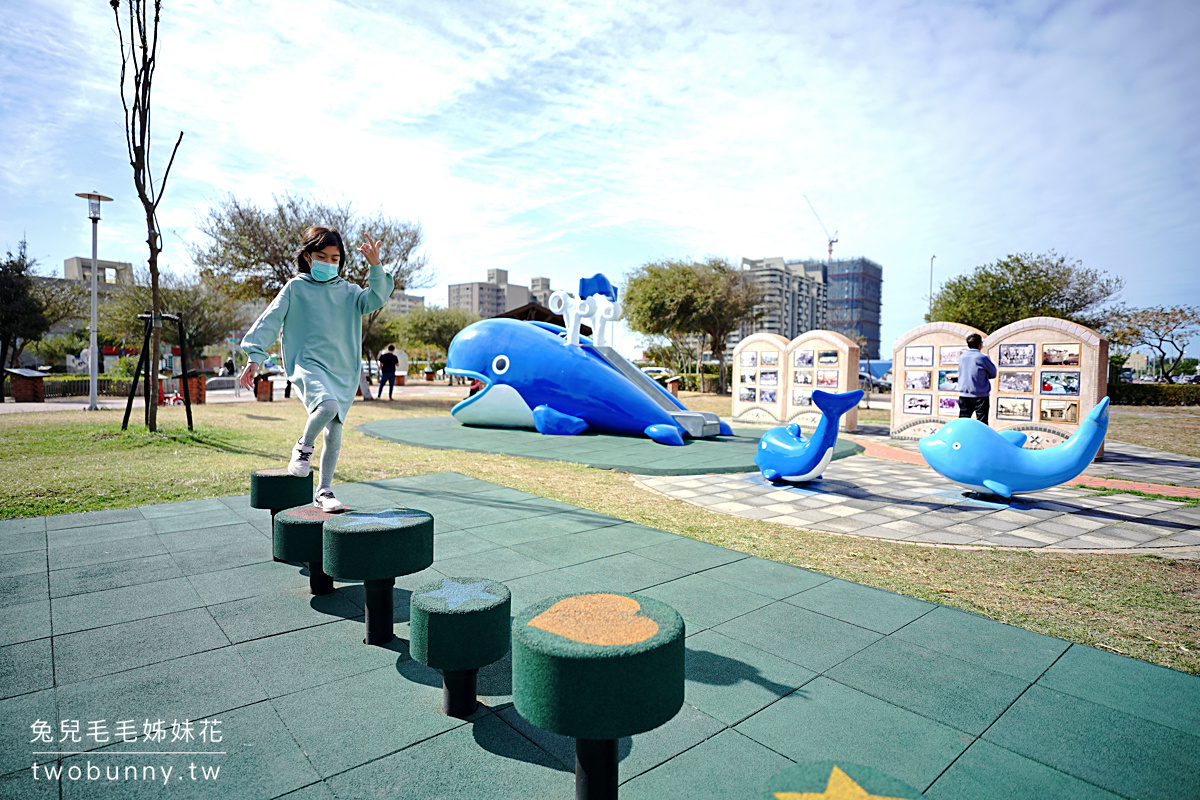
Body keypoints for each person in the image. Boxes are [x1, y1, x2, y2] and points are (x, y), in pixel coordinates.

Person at [239, 226, 393, 512]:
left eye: (335, 258)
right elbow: (270, 320)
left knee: (334, 428)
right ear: (308, 257)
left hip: (342, 369)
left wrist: (375, 265)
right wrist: (254, 357)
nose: (329, 262)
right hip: (307, 364)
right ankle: (303, 447)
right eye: (322, 256)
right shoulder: (295, 287)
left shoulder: (350, 292)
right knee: (327, 405)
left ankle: (324, 491)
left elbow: (377, 297)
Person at [957, 332, 997, 424]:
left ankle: (961, 438)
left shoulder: (962, 357)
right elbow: (993, 373)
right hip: (981, 395)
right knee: (982, 422)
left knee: (962, 422)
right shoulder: (983, 357)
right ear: (980, 345)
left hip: (964, 395)